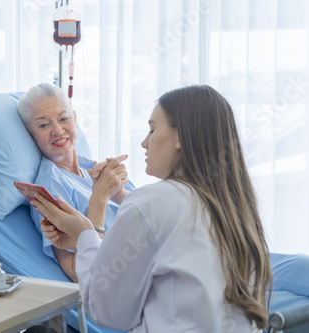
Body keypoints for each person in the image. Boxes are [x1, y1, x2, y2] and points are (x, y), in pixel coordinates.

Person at [31, 85, 272, 332]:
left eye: (152, 129)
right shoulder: (231, 203)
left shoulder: (149, 200)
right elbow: (168, 224)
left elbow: (107, 311)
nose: (144, 142)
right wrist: (111, 202)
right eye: (42, 125)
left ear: (180, 137)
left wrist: (86, 234)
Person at [17, 83, 135, 282]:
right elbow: (76, 272)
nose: (57, 130)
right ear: (31, 135)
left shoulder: (93, 168)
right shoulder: (51, 190)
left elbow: (152, 217)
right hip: (127, 282)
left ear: (75, 119)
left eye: (64, 118)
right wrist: (99, 199)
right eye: (43, 125)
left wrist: (119, 193)